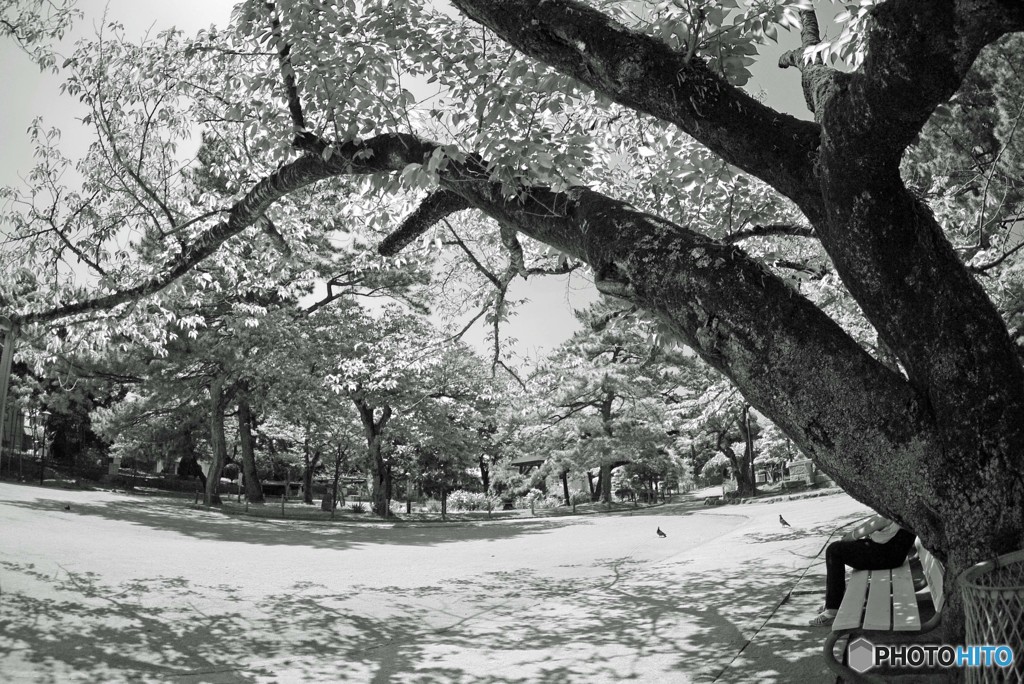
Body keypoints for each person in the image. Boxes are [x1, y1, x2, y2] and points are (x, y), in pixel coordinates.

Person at [809, 513, 916, 626]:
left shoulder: (899, 503)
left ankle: (833, 609)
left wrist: (852, 536)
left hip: (887, 555)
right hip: (891, 553)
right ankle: (833, 601)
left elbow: (880, 521)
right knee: (839, 549)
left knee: (834, 551)